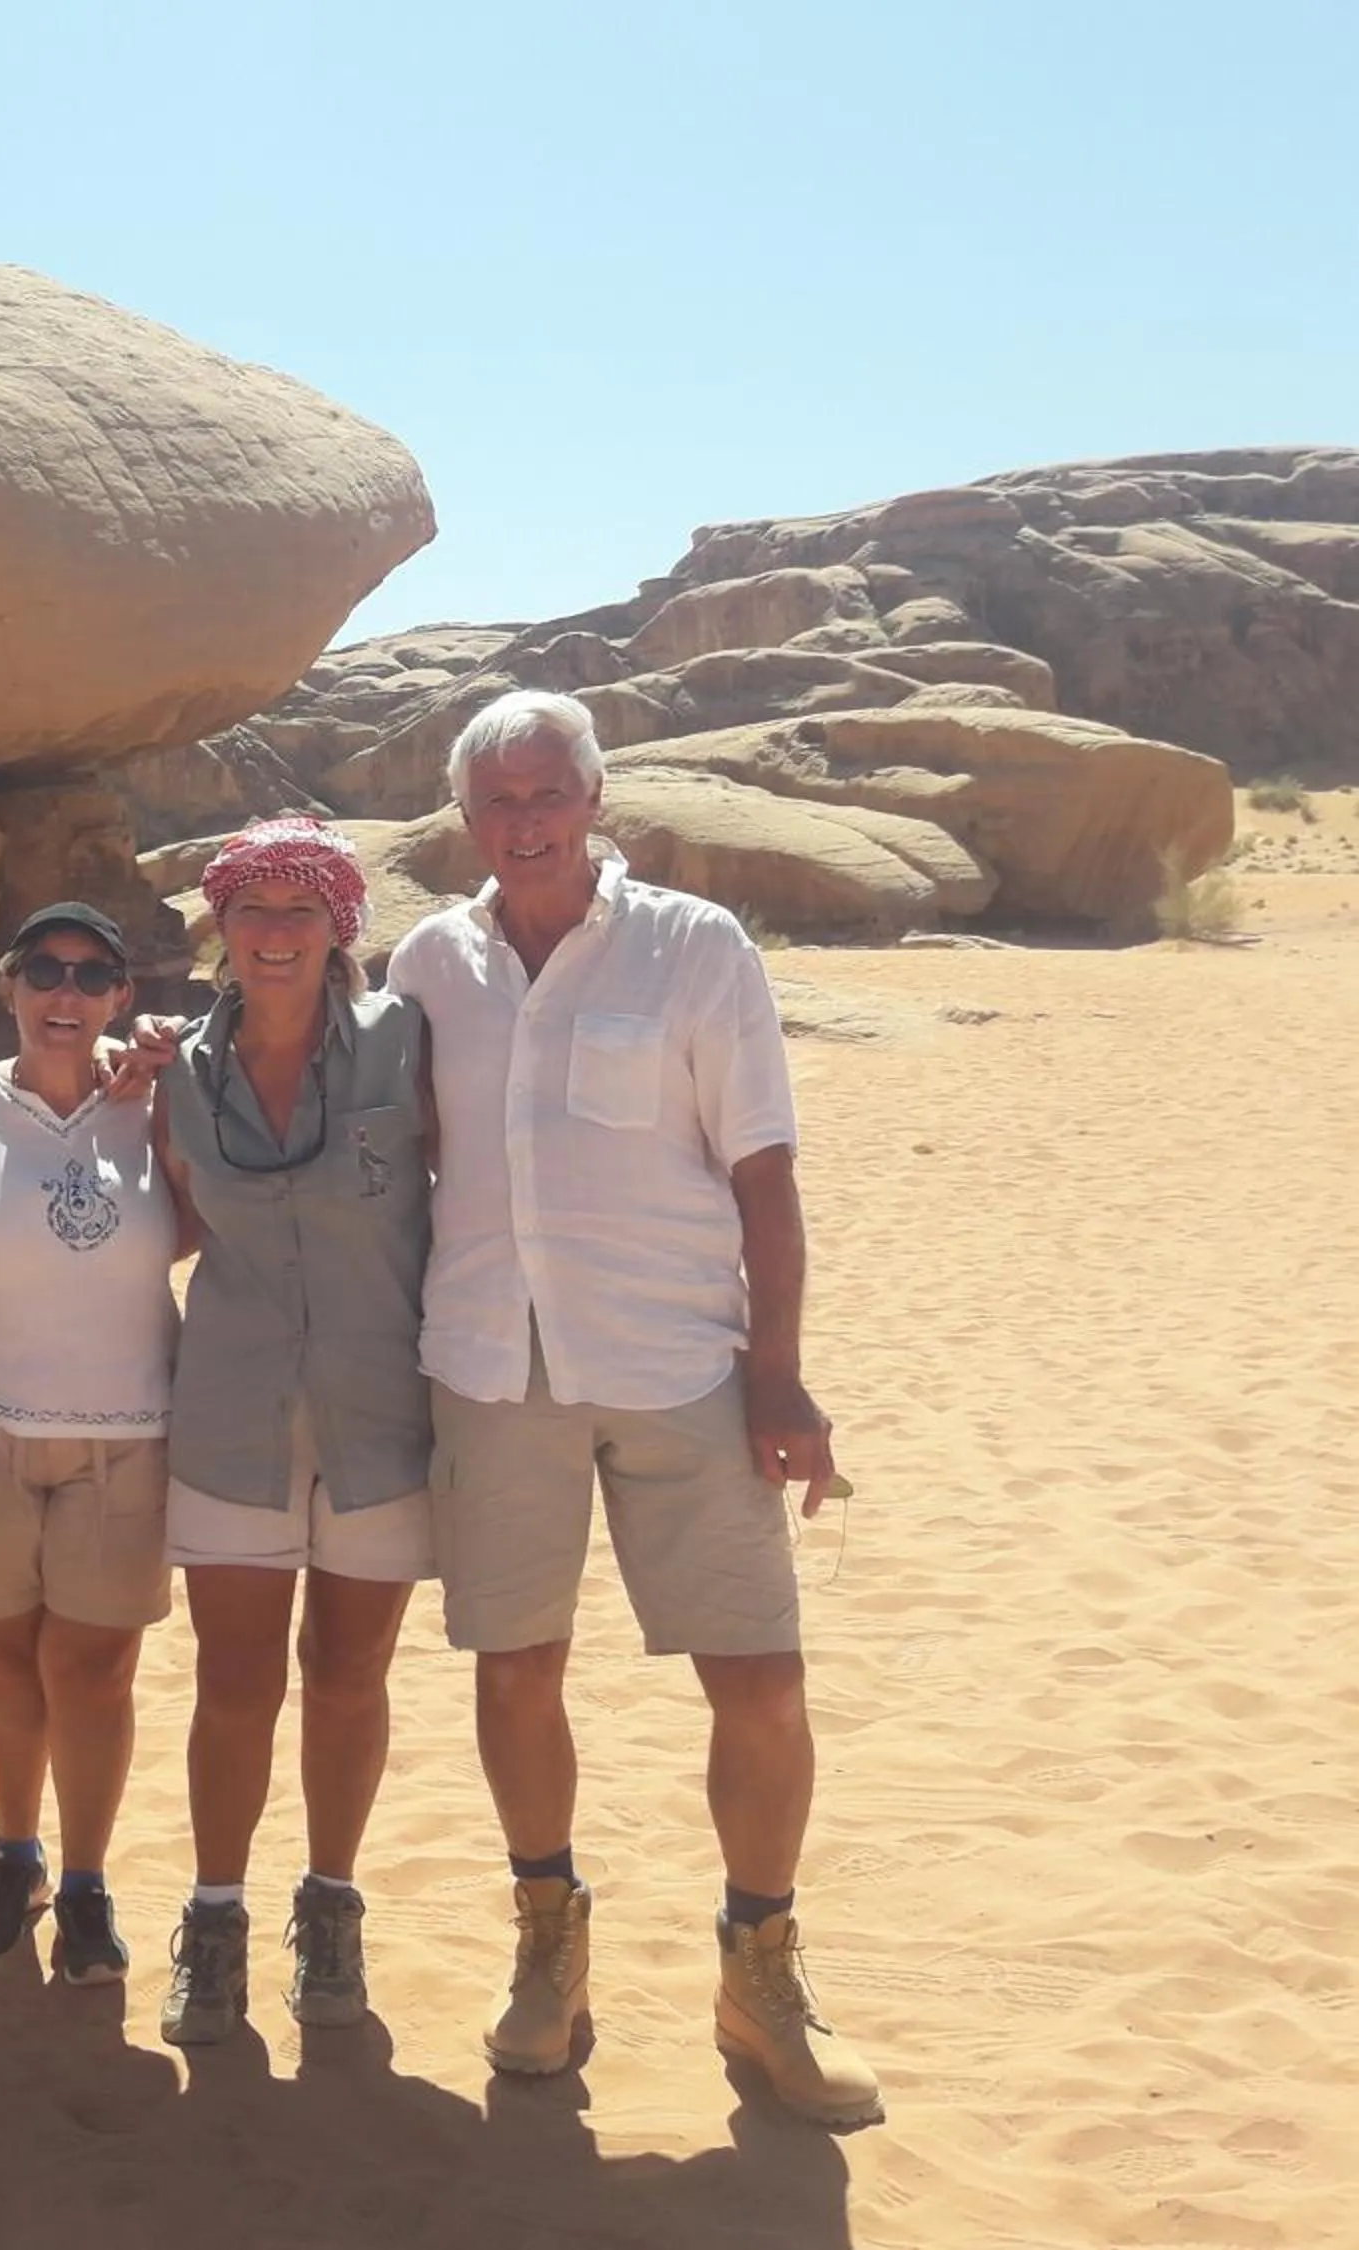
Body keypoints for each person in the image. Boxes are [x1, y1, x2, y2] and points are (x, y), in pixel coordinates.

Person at [385, 689, 879, 2127]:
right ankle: (551, 1945)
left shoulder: (693, 948)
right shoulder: (432, 962)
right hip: (493, 1365)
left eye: (549, 793)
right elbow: (390, 1153)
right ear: (467, 819)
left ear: (596, 800)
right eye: (499, 801)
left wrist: (779, 1368)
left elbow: (764, 1171)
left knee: (759, 1672)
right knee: (514, 1666)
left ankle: (763, 1967)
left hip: (680, 1365)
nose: (526, 821)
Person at [150, 816, 436, 2048]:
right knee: (235, 1682)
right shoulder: (169, 1072)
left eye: (300, 910)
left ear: (340, 929)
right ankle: (214, 1921)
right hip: (232, 1414)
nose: (274, 934)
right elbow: (153, 1222)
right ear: (221, 928)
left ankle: (329, 1908)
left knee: (349, 1676)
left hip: (382, 1412)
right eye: (251, 910)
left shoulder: (409, 1045)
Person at [0, 904, 182, 1987]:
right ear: (10, 985)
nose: (67, 994)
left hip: (126, 1429)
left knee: (92, 1667)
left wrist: (171, 1092)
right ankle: (16, 1853)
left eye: (93, 975)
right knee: (2, 1656)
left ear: (121, 997)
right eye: (46, 971)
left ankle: (83, 1880)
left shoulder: (158, 1106)